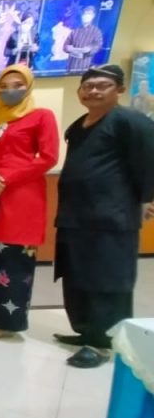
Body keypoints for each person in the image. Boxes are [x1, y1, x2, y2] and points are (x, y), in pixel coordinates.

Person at [53, 64, 154, 368]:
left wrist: (148, 199)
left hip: (110, 220)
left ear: (119, 89)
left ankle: (103, 343)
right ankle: (86, 331)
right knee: (77, 278)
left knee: (106, 281)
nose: (93, 91)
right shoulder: (79, 126)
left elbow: (148, 164)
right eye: (88, 86)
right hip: (76, 218)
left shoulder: (131, 122)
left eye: (102, 85)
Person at [0, 64, 59, 339]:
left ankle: (8, 323)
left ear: (29, 87)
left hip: (21, 199)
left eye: (18, 85)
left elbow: (48, 157)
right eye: (4, 86)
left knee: (14, 262)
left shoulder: (41, 116)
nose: (10, 90)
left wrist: (5, 179)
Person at [65, 5, 103, 73]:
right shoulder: (75, 30)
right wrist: (68, 48)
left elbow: (98, 46)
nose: (86, 16)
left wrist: (88, 49)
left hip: (84, 68)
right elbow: (66, 45)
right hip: (70, 67)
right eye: (85, 14)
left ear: (93, 16)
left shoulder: (96, 32)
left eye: (89, 14)